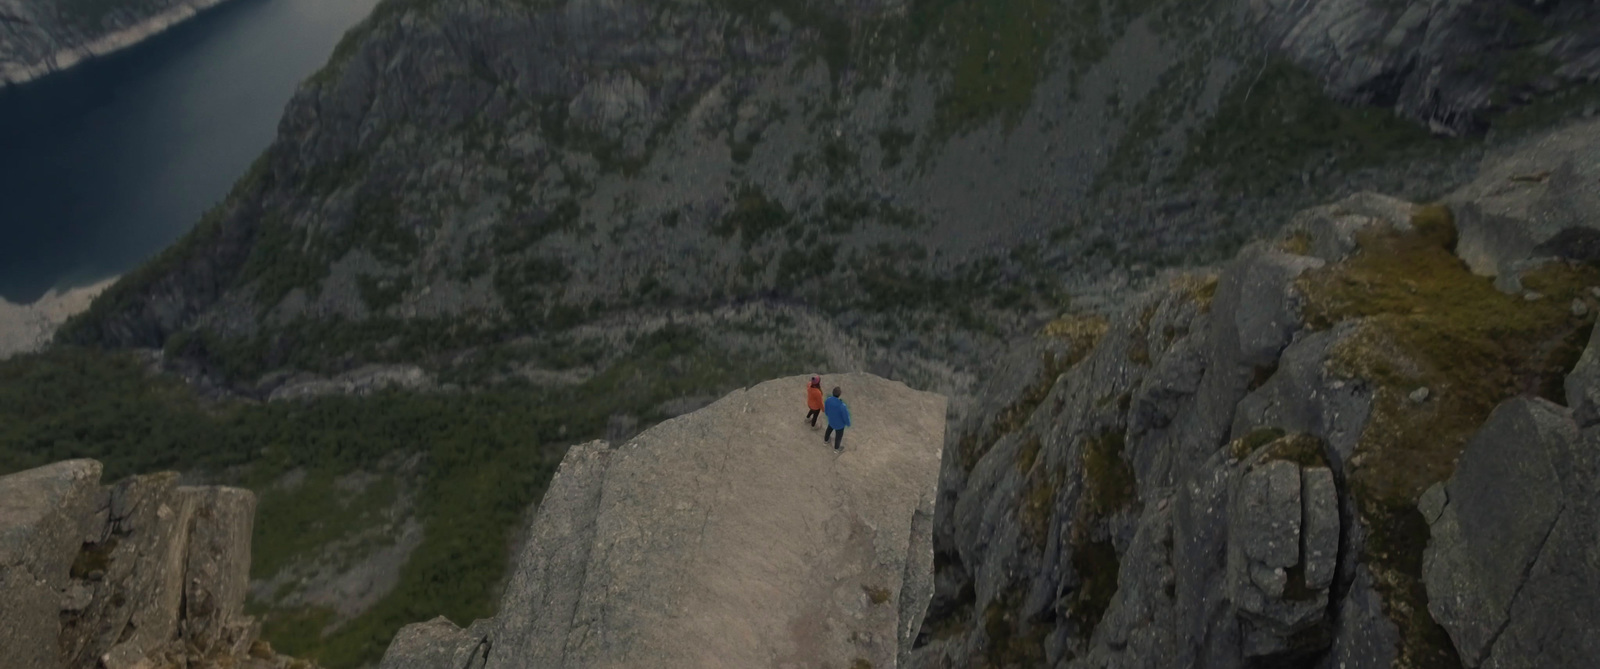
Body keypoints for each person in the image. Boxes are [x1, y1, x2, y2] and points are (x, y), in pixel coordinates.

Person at [823, 386, 851, 452]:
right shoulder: (842, 406)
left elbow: (826, 409)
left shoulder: (828, 400)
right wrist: (848, 423)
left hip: (831, 420)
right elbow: (845, 416)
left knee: (829, 430)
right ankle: (836, 449)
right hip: (839, 424)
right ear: (839, 395)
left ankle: (825, 441)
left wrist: (828, 415)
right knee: (838, 437)